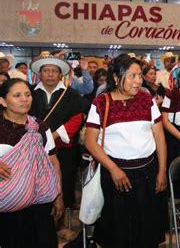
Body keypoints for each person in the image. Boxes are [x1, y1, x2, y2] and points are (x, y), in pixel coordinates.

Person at [84, 54, 168, 248]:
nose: (138, 81)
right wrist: (113, 169)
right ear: (115, 77)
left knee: (146, 230)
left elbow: (160, 138)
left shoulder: (147, 101)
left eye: (139, 75)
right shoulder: (101, 103)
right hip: (115, 175)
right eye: (131, 76)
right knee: (118, 230)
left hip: (147, 173)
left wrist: (162, 170)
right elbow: (90, 142)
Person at [0, 78, 63, 248]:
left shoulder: (40, 127)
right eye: (17, 95)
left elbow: (53, 162)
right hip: (7, 204)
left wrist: (58, 197)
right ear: (2, 101)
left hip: (39, 202)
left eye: (27, 94)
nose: (24, 99)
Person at [29, 53, 89, 216]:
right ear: (39, 74)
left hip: (64, 148)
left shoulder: (71, 94)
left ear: (60, 74)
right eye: (46, 70)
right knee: (35, 181)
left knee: (65, 180)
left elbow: (77, 118)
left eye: (54, 71)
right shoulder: (29, 93)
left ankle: (63, 220)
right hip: (34, 148)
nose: (50, 74)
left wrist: (52, 136)